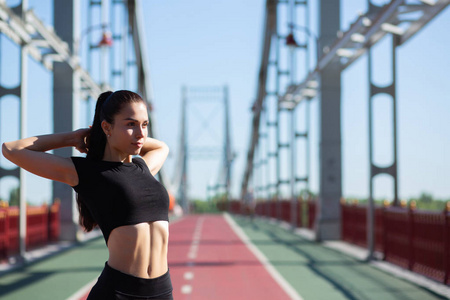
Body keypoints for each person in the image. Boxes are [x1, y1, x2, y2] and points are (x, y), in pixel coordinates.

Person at [2, 90, 173, 299]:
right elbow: (11, 149)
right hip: (118, 292)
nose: (141, 133)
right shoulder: (87, 172)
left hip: (161, 291)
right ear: (106, 127)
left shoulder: (143, 166)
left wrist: (127, 135)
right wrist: (71, 138)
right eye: (130, 124)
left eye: (144, 124)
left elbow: (162, 147)